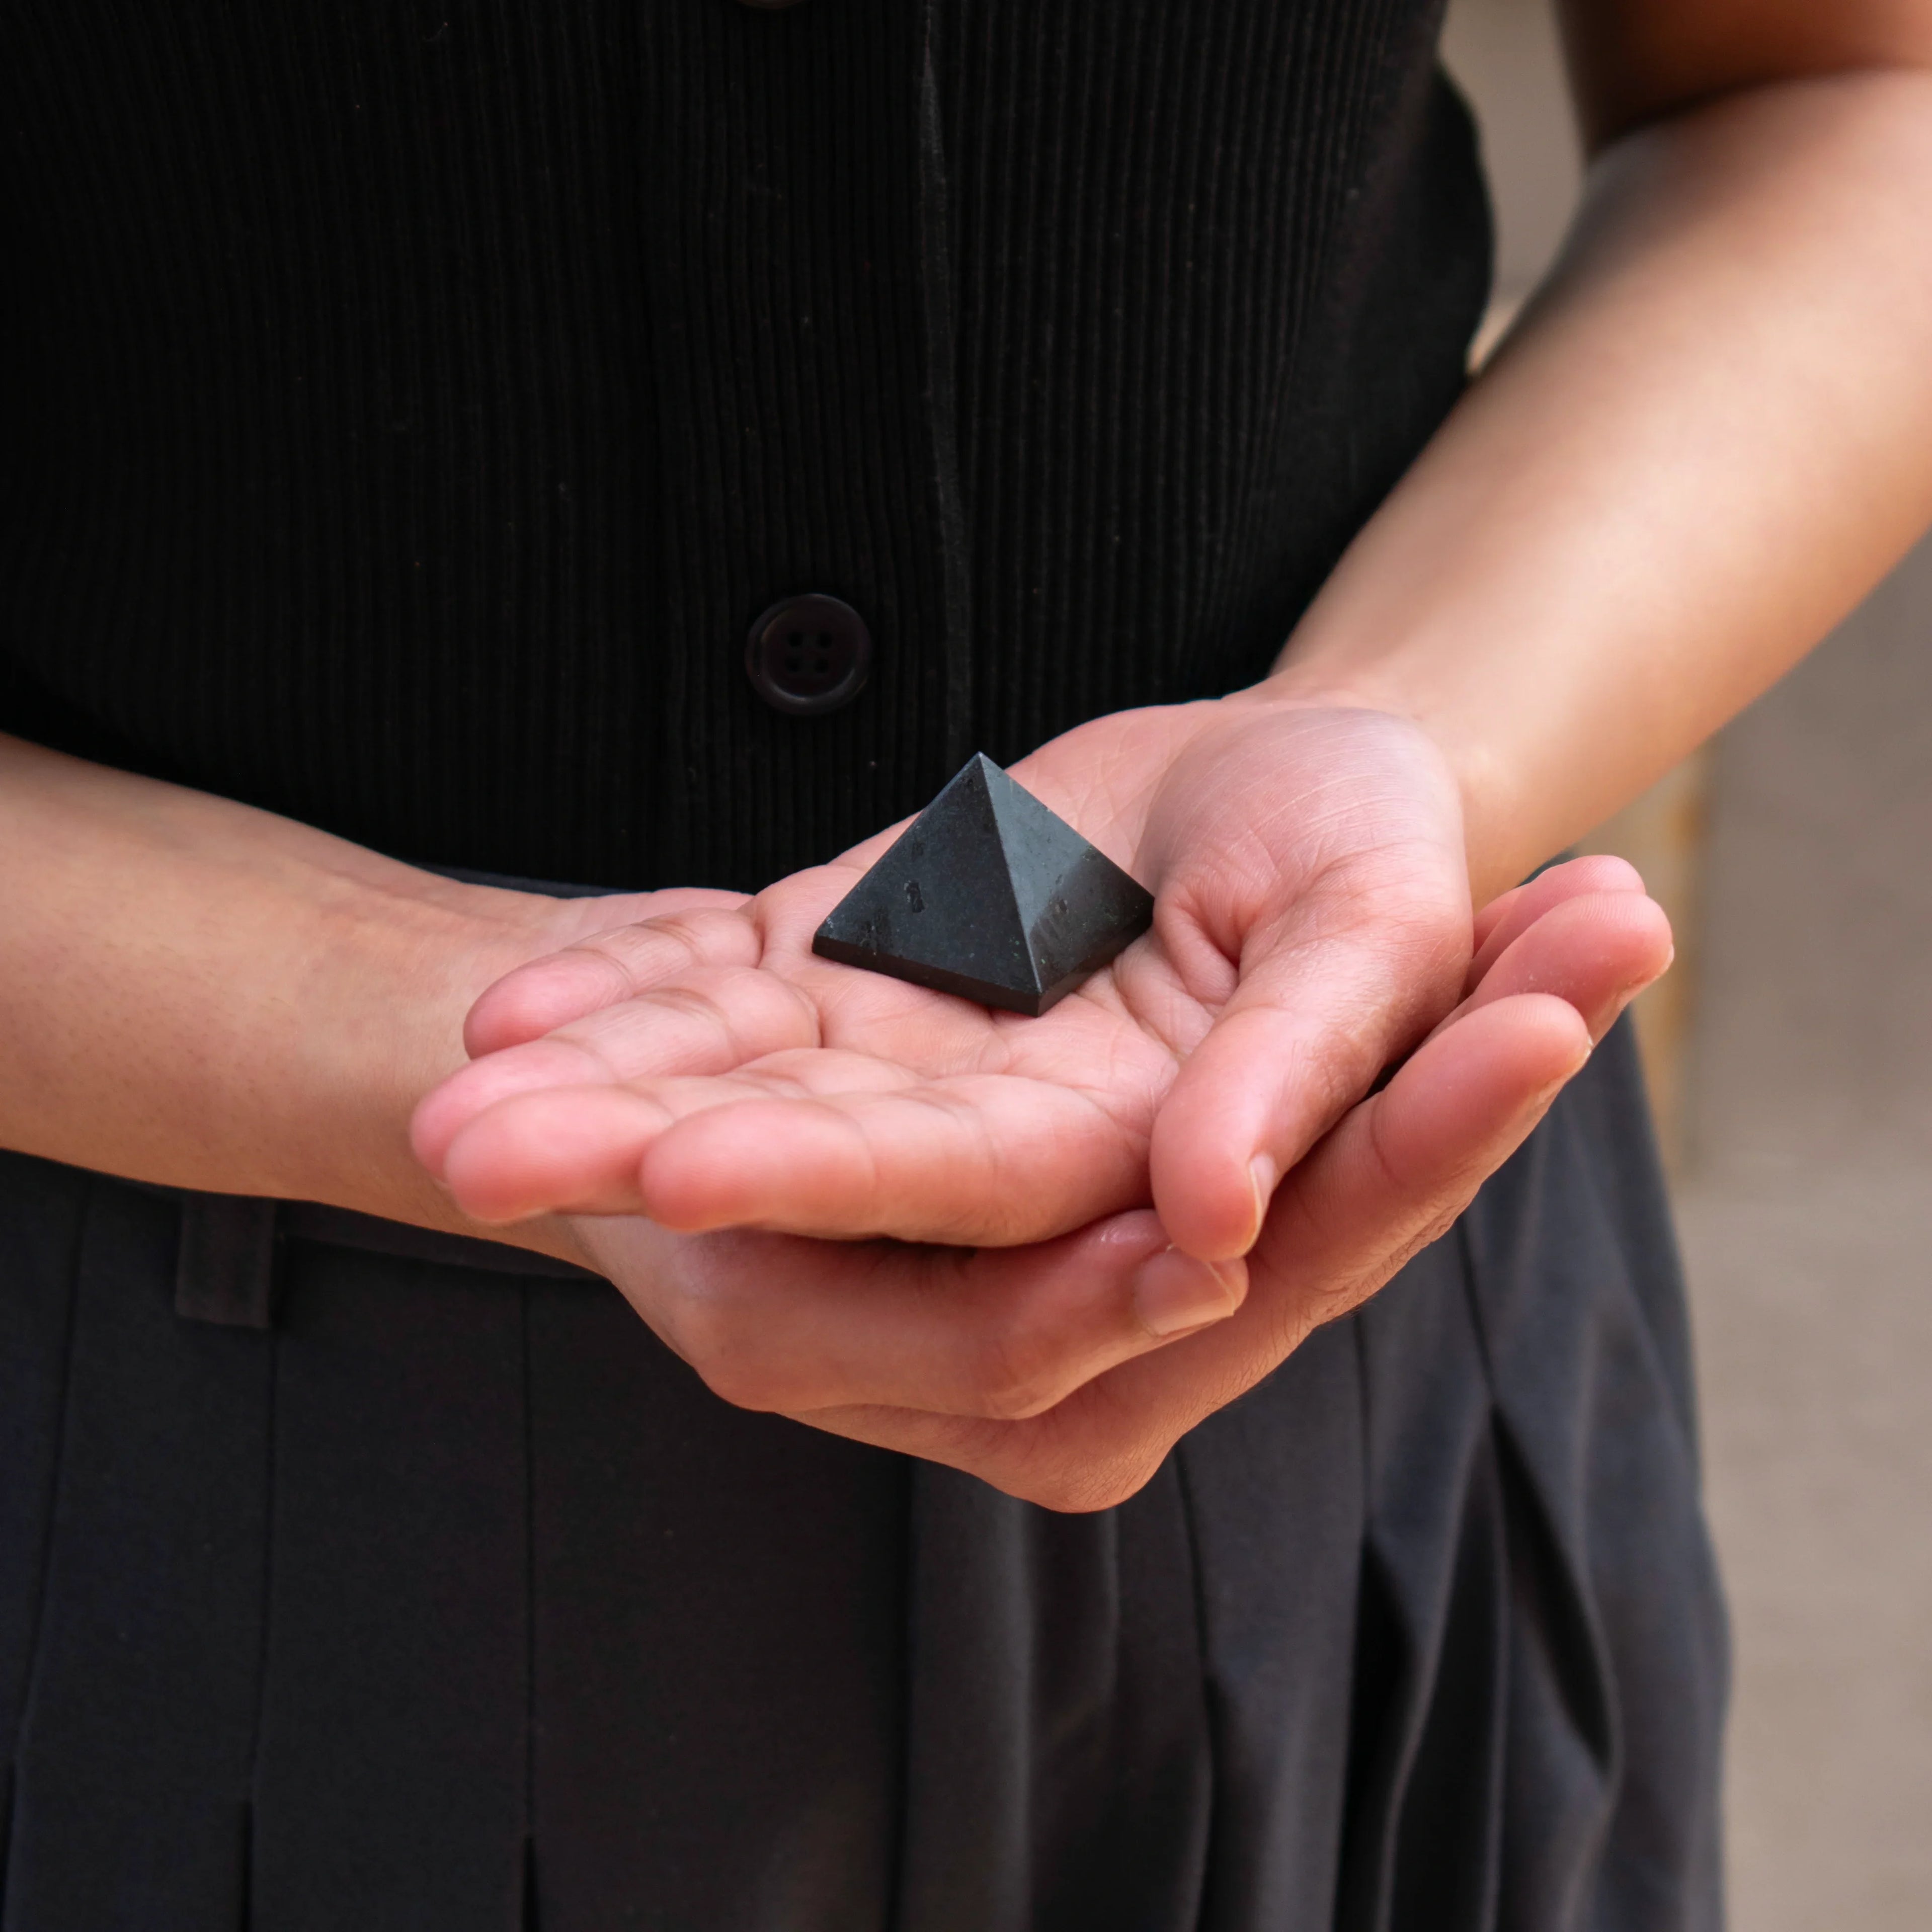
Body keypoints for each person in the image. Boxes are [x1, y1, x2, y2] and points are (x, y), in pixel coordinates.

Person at [2, 0, 1928, 1924]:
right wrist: (398, 1011)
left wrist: (1415, 735)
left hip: (1351, 1290)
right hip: (159, 1482)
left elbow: (1842, 90)